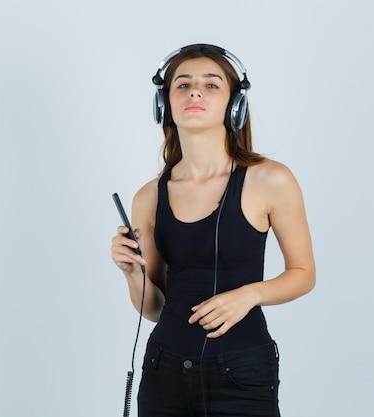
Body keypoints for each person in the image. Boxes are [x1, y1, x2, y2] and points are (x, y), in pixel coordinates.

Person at [110, 44, 316, 417]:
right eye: (183, 85)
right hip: (163, 372)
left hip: (242, 375)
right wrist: (132, 274)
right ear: (165, 103)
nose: (195, 93)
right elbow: (156, 308)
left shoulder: (271, 180)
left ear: (234, 105)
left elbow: (303, 274)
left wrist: (248, 295)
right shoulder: (147, 197)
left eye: (211, 85)